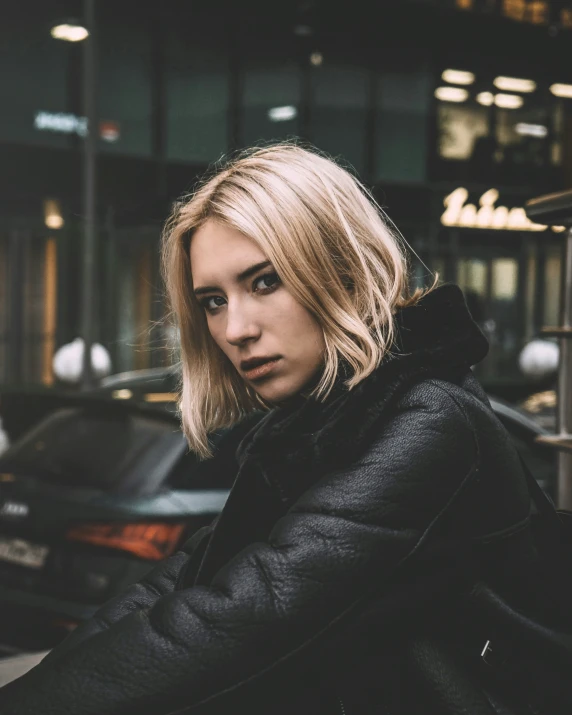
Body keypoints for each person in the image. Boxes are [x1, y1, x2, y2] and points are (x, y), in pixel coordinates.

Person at [1, 143, 570, 714]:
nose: (235, 328)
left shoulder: (428, 420)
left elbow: (249, 612)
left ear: (341, 266)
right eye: (213, 301)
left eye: (265, 282)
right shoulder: (320, 419)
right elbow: (181, 583)